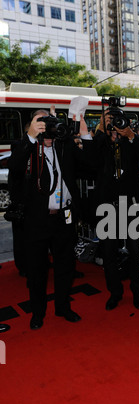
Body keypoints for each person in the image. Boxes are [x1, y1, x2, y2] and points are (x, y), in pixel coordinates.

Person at [8, 108, 88, 330]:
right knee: (36, 270)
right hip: (37, 219)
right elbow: (14, 167)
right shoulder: (25, 146)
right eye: (40, 121)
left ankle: (63, 307)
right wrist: (31, 137)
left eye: (49, 122)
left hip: (65, 217)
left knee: (66, 266)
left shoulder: (64, 145)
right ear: (32, 124)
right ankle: (38, 312)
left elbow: (89, 165)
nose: (46, 126)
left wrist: (84, 133)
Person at [80, 110, 139, 311]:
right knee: (109, 253)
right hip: (108, 205)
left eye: (117, 120)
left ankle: (137, 290)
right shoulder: (101, 143)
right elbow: (89, 161)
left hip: (133, 204)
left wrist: (129, 135)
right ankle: (115, 292)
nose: (115, 124)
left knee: (136, 252)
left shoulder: (131, 141)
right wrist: (100, 130)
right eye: (110, 120)